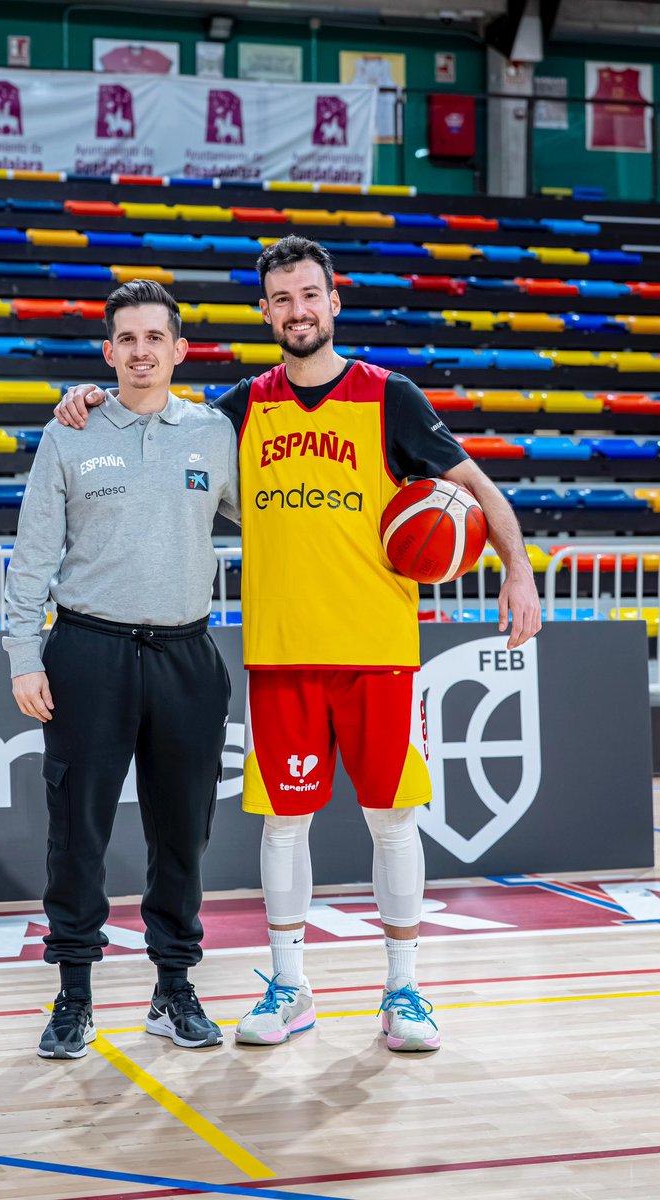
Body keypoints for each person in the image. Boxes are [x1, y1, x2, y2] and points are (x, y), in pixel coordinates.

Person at [54, 235, 542, 1053]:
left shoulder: (391, 397)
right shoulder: (241, 408)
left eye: (309, 295)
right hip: (279, 653)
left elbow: (479, 490)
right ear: (266, 311)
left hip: (378, 647)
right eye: (281, 299)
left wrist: (518, 573)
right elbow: (155, 417)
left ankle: (404, 991)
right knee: (285, 826)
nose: (297, 310)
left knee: (394, 821)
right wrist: (91, 397)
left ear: (333, 302)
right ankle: (290, 987)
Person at [4, 280, 240, 1058]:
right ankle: (73, 994)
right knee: (78, 833)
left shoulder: (214, 434)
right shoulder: (69, 432)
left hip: (187, 655)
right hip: (87, 652)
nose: (141, 352)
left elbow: (271, 523)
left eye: (154, 339)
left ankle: (174, 989)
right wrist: (21, 657)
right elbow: (33, 554)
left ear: (180, 350)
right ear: (108, 353)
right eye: (127, 340)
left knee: (184, 834)